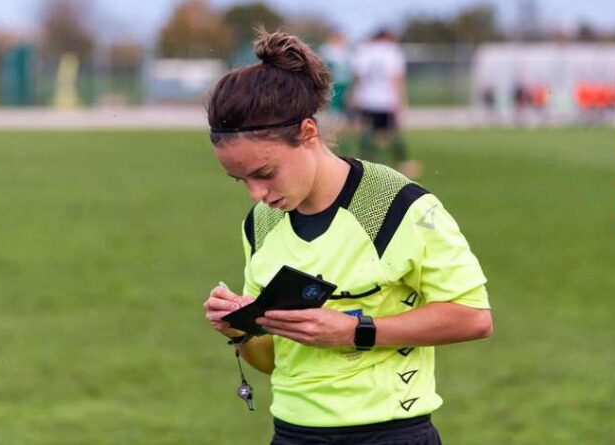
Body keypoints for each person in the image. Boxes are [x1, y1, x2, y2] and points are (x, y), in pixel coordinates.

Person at [203, 29, 492, 445]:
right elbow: (272, 362)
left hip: (391, 435)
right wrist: (240, 330)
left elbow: (473, 316)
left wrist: (356, 331)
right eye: (241, 180)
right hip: (291, 435)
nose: (256, 194)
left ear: (308, 132)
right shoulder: (260, 224)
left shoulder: (396, 205)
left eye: (265, 173)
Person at [352, 29, 420, 177]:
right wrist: (401, 100)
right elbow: (396, 78)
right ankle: (403, 162)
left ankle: (363, 163)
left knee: (367, 131)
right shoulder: (393, 51)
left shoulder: (365, 50)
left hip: (367, 98)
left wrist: (355, 94)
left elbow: (359, 76)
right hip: (386, 99)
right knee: (393, 132)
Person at [319, 30, 355, 156]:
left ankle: (338, 141)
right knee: (331, 113)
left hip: (343, 86)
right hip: (333, 86)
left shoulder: (345, 52)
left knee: (341, 114)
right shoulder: (327, 51)